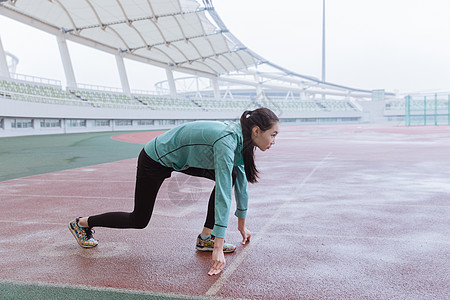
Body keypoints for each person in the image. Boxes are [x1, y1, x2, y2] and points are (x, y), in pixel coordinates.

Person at [69, 107, 279, 276]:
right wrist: (219, 245)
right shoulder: (227, 141)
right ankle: (81, 224)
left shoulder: (243, 141)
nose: (273, 141)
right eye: (273, 135)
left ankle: (205, 238)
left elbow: (240, 181)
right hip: (155, 158)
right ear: (256, 131)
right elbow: (224, 191)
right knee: (139, 219)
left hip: (182, 160)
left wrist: (242, 225)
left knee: (232, 174)